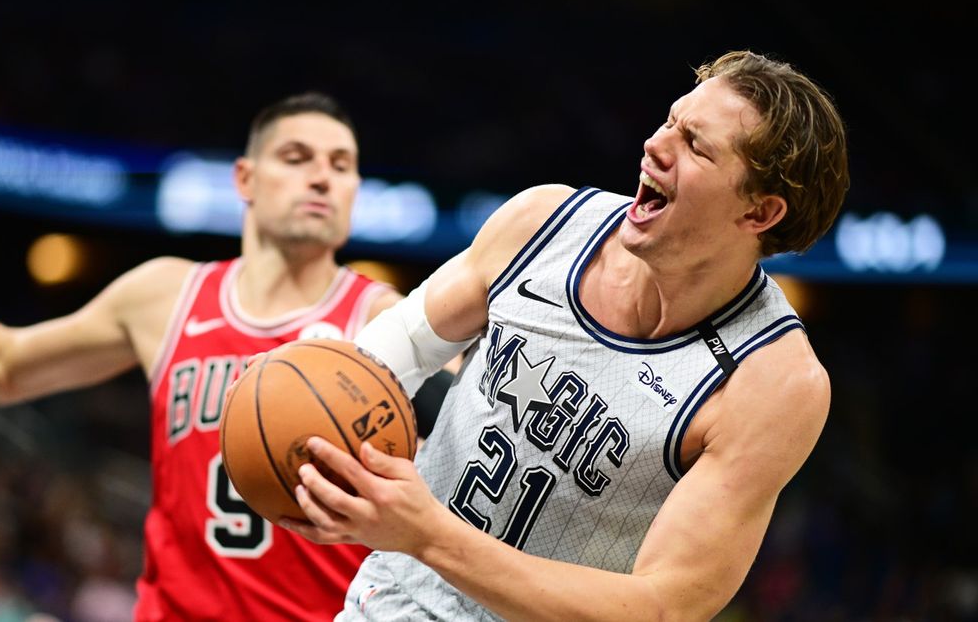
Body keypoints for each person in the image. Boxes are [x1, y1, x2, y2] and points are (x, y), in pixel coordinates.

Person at [282, 50, 850, 621]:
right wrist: (295, 407)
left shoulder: (774, 381)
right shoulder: (545, 223)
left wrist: (429, 536)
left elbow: (661, 608)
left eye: (695, 145)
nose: (656, 145)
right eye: (670, 121)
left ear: (760, 213)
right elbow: (395, 350)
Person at [0, 92, 442, 621]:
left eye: (341, 166)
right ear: (245, 179)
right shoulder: (165, 295)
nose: (322, 178)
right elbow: (3, 364)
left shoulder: (388, 323)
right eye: (296, 158)